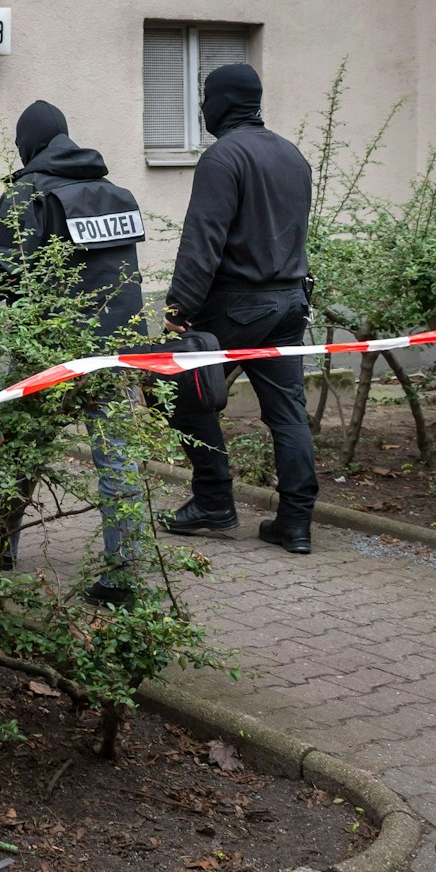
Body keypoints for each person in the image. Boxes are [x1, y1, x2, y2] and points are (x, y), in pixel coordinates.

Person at [0, 100, 148, 607]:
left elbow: (4, 274)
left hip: (53, 351)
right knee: (118, 462)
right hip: (115, 350)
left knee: (20, 449)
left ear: (29, 145)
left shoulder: (28, 193)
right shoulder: (113, 192)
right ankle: (124, 576)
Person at [162, 63, 319, 554]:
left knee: (180, 393)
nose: (202, 107)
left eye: (206, 97)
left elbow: (203, 240)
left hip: (235, 307)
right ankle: (295, 523)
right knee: (288, 413)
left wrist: (179, 307)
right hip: (290, 303)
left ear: (222, 102)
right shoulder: (292, 154)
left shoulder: (223, 157)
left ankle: (213, 501)